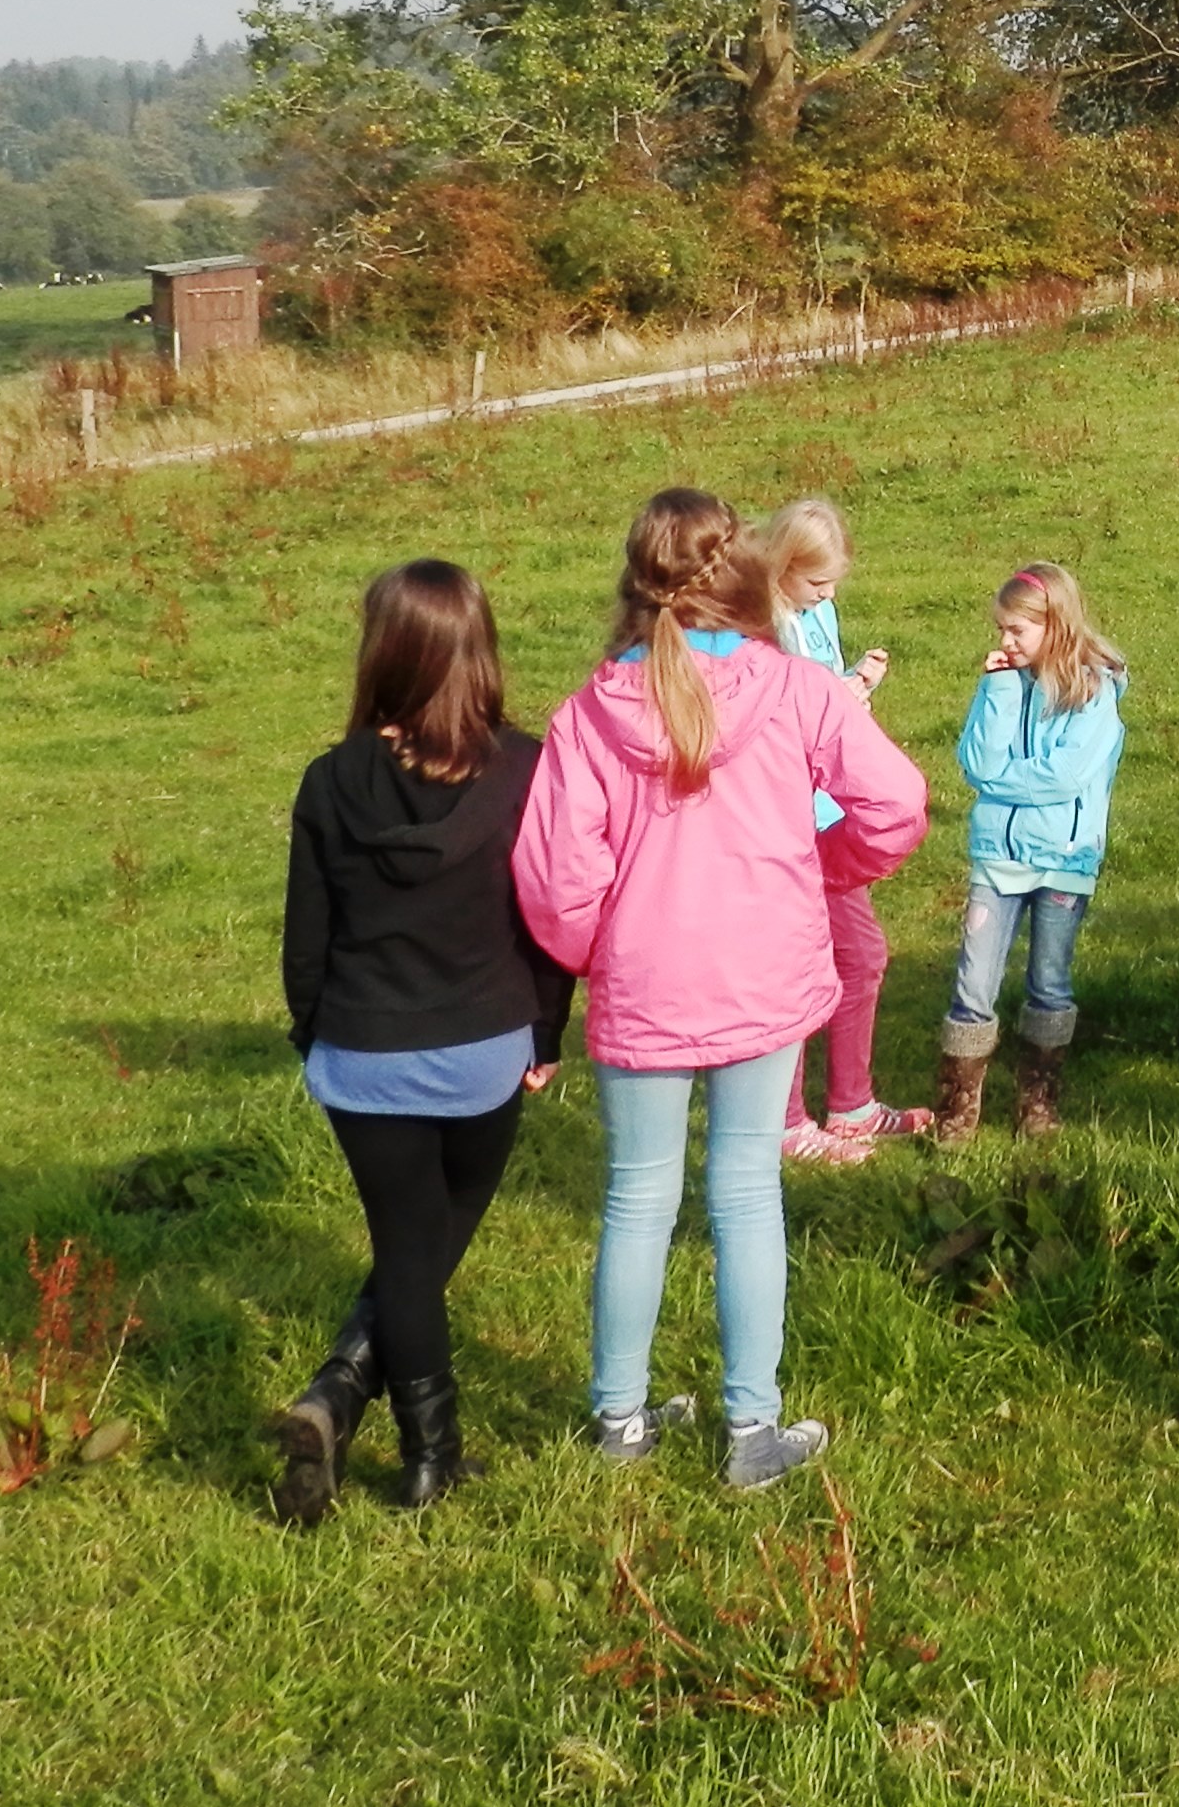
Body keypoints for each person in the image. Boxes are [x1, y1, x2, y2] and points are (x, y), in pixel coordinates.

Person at [515, 489, 927, 1492]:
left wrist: (596, 949)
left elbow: (552, 875)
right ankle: (752, 1433)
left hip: (641, 985)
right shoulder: (797, 690)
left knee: (634, 1199)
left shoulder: (586, 714)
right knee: (745, 1195)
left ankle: (619, 1420)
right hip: (763, 972)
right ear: (743, 576)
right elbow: (897, 801)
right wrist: (827, 867)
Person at [270, 559, 572, 1524]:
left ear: (380, 654)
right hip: (485, 1049)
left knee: (406, 1247)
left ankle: (344, 1397)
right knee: (424, 1250)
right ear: (479, 654)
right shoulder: (526, 769)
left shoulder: (327, 781)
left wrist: (314, 1037)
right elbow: (548, 919)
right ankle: (427, 1460)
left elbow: (304, 940)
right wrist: (547, 1030)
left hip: (359, 1054)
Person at [933, 562, 1129, 1142]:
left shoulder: (1094, 695)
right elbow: (973, 761)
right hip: (996, 859)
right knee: (973, 987)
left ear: (1055, 626)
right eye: (1001, 629)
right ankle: (957, 1109)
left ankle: (1037, 1104)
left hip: (1065, 861)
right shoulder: (999, 683)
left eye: (1017, 631)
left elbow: (1065, 776)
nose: (1005, 642)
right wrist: (993, 690)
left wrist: (998, 780)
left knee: (1049, 981)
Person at [757, 500, 925, 1166]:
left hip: (831, 813)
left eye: (833, 585)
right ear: (782, 567)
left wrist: (853, 687)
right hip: (788, 818)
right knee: (802, 966)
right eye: (816, 584)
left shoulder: (815, 614)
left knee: (859, 956)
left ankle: (850, 1105)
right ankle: (788, 1120)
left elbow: (820, 697)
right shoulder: (762, 628)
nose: (827, 596)